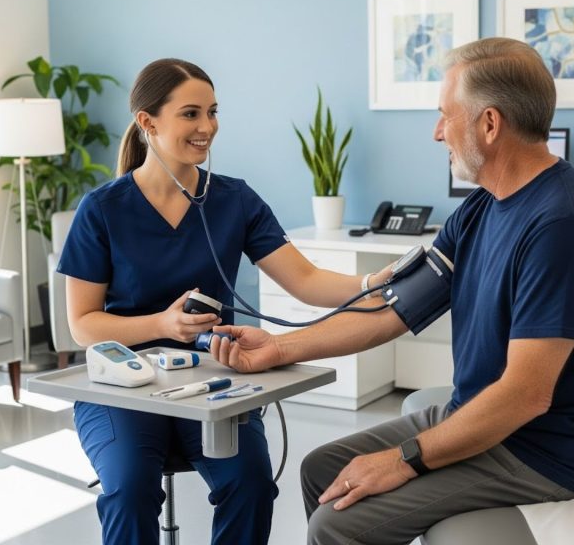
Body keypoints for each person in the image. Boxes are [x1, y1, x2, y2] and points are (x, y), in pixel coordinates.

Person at [209, 37, 574, 545]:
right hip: (481, 418)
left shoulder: (565, 224)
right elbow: (392, 311)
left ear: (490, 124)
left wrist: (404, 459)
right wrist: (278, 347)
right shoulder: (481, 208)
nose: (436, 133)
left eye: (444, 115)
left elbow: (526, 395)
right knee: (322, 468)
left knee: (339, 523)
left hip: (545, 453)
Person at [57, 58, 392, 545]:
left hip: (212, 378)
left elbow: (305, 278)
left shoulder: (235, 200)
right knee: (130, 491)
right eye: (190, 114)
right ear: (148, 122)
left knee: (251, 484)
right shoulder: (102, 209)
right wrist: (164, 324)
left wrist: (371, 282)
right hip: (121, 386)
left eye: (213, 112)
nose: (207, 127)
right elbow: (83, 326)